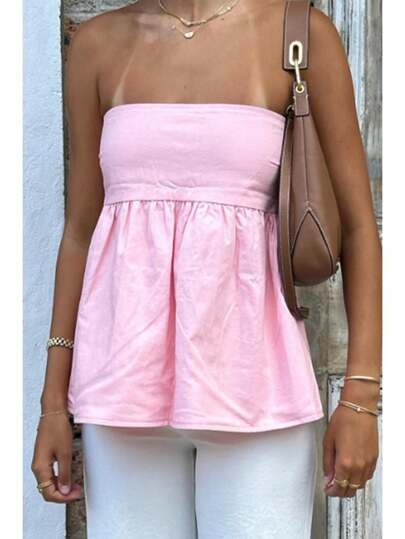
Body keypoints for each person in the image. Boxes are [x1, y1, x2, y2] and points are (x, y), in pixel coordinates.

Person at [31, 0, 382, 537]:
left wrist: (360, 398)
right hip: (122, 392)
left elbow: (358, 229)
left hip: (257, 390)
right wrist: (53, 404)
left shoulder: (299, 36)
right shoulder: (98, 45)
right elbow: (81, 230)